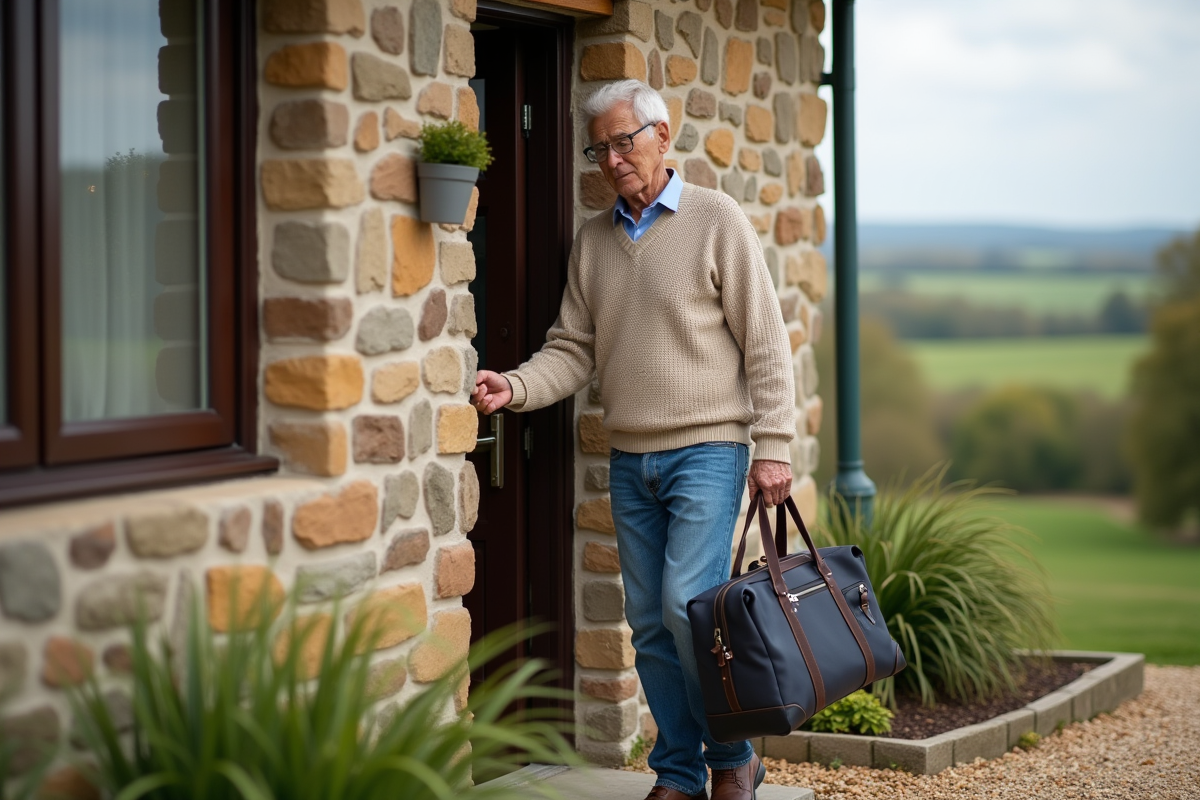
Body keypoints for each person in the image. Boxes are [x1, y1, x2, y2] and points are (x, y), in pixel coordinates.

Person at [471, 79, 795, 800]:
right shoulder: (595, 240)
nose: (613, 158)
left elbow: (767, 344)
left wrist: (774, 445)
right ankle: (678, 773)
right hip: (631, 462)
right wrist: (515, 388)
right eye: (600, 147)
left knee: (691, 608)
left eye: (626, 140)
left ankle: (732, 758)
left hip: (709, 452)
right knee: (649, 625)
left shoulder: (717, 219)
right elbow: (573, 349)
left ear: (662, 135)